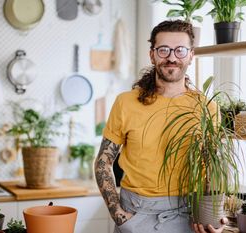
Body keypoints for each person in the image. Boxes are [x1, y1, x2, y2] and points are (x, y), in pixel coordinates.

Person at [94, 20, 228, 233]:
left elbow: (213, 167)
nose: (172, 57)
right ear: (152, 55)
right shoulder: (126, 102)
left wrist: (213, 215)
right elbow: (103, 161)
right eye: (164, 50)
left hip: (189, 218)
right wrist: (119, 215)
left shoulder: (207, 108)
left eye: (180, 50)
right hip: (136, 215)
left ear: (191, 55)